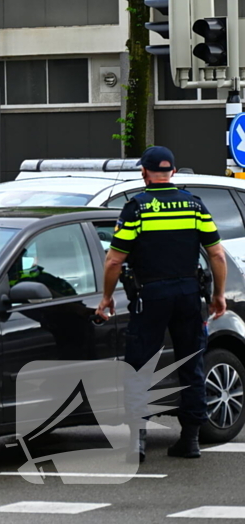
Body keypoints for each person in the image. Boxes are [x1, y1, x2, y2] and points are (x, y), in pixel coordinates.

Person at [96, 146, 227, 462]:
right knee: (191, 365)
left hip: (150, 296)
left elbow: (114, 260)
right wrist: (218, 295)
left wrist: (106, 297)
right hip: (188, 296)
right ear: (174, 172)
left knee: (140, 366)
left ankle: (137, 442)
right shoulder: (194, 205)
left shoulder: (137, 208)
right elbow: (217, 254)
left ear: (144, 172)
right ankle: (191, 440)